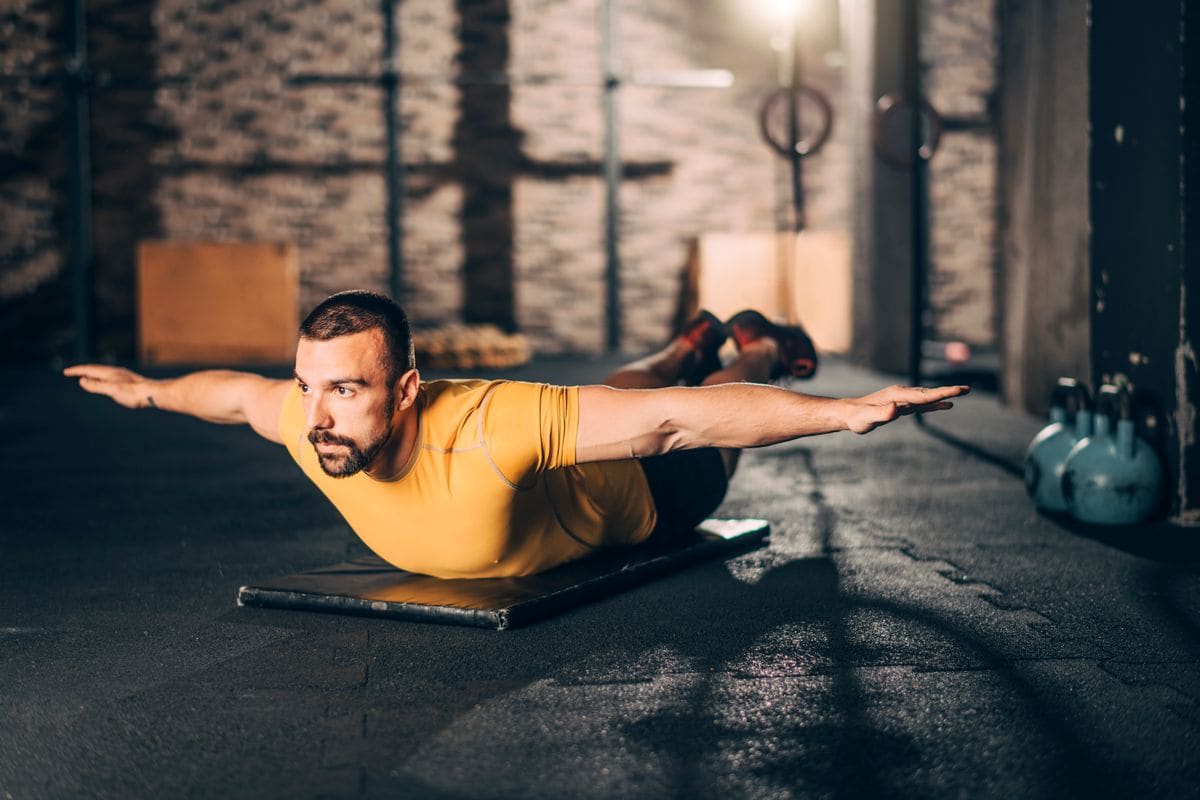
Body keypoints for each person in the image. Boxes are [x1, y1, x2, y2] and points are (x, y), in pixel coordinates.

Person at [64, 290, 967, 579]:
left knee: (692, 399)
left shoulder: (491, 425)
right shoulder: (308, 424)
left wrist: (846, 412)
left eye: (346, 389)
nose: (317, 414)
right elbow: (233, 395)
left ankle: (753, 344)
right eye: (310, 387)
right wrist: (147, 392)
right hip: (582, 438)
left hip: (646, 495)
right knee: (627, 382)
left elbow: (670, 423)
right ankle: (687, 339)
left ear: (408, 390)